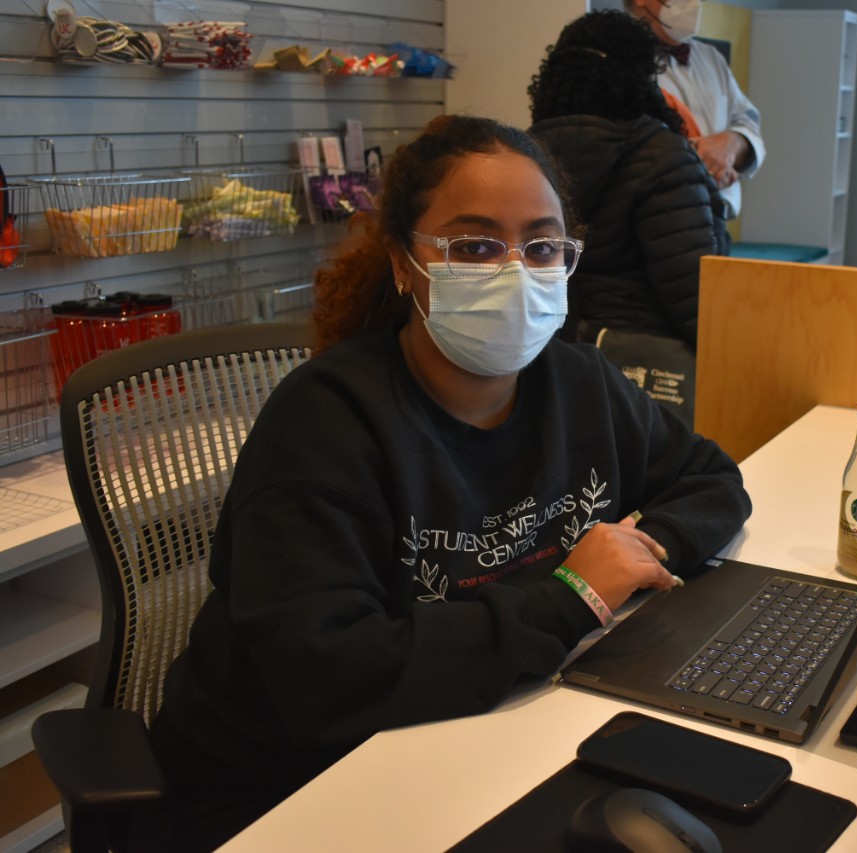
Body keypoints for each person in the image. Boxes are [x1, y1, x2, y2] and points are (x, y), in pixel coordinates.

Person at [134, 114, 752, 852]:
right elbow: (330, 680)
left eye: (543, 245)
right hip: (286, 789)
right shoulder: (325, 423)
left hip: (484, 730)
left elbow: (712, 480)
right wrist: (572, 595)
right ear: (404, 262)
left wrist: (637, 552)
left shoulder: (579, 383)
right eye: (476, 245)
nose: (516, 269)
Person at [528, 10, 727, 351]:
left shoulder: (523, 157)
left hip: (551, 359)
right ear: (644, 78)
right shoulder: (663, 158)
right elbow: (698, 304)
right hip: (646, 370)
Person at [624, 0, 764, 220]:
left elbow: (748, 121)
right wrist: (706, 162)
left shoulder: (711, 58)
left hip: (716, 220)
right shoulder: (616, 58)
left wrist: (731, 144)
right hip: (656, 219)